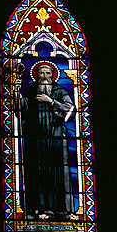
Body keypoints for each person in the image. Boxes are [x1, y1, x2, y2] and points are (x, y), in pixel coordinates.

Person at [17, 63, 78, 220]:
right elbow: (21, 110)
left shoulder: (60, 91)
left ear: (53, 75)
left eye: (47, 73)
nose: (44, 76)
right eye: (41, 73)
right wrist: (17, 96)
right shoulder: (30, 90)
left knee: (60, 172)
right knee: (38, 172)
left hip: (56, 136)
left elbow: (70, 111)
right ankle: (40, 209)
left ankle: (64, 210)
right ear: (36, 75)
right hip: (35, 138)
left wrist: (50, 101)